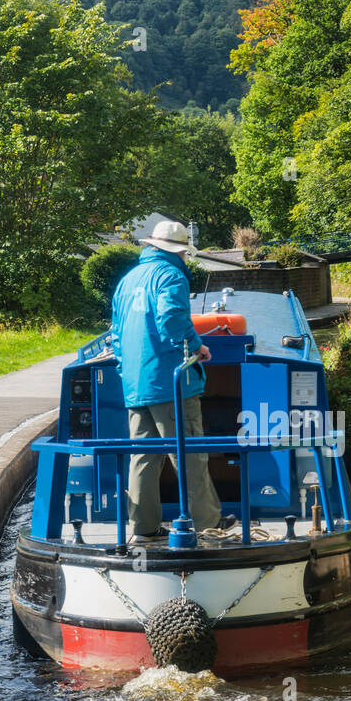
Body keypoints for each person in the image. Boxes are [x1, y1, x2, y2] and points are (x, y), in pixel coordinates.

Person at [110, 219, 227, 543]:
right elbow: (171, 319)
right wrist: (195, 346)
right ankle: (207, 527)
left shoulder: (128, 280)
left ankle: (144, 528)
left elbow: (116, 335)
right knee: (189, 453)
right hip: (169, 384)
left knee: (143, 457)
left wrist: (127, 373)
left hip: (135, 385)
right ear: (176, 251)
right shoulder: (170, 275)